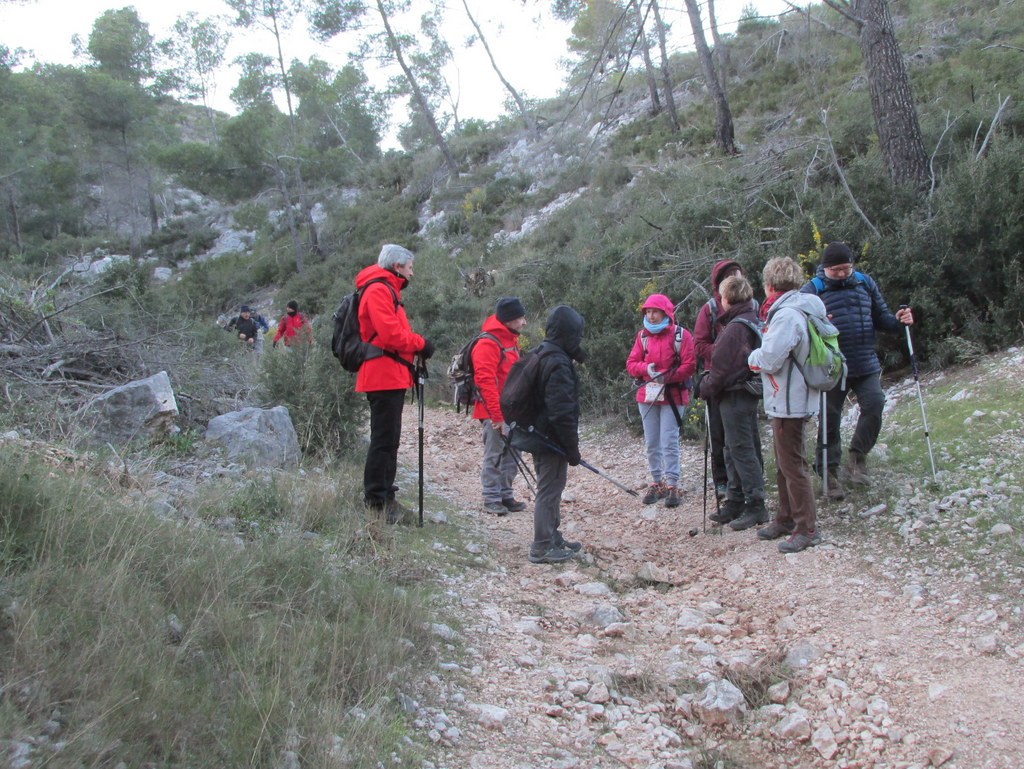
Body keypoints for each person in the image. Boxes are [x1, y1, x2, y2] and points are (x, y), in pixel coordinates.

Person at [801, 242, 913, 493]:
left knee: (875, 404)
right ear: (825, 268)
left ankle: (857, 457)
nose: (842, 274)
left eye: (846, 268)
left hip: (865, 361)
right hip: (831, 366)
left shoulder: (865, 283)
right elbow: (800, 327)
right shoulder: (812, 290)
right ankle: (828, 473)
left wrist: (898, 321)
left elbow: (881, 318)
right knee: (830, 420)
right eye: (836, 270)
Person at [748, 256, 830, 553]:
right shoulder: (805, 307)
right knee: (785, 463)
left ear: (769, 285)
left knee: (793, 465)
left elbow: (769, 358)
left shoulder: (786, 316)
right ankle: (784, 518)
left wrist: (751, 357)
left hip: (789, 400)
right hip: (795, 397)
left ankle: (806, 527)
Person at [354, 244, 435, 524]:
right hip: (382, 374)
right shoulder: (379, 289)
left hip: (388, 373)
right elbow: (391, 335)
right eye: (410, 267)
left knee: (388, 441)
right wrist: (421, 344)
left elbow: (394, 334)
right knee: (384, 441)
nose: (412, 272)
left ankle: (385, 498)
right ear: (398, 266)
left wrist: (415, 346)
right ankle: (377, 502)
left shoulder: (387, 289)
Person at [510, 305, 586, 564]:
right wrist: (571, 449)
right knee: (550, 489)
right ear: (569, 332)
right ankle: (542, 545)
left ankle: (553, 536)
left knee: (552, 486)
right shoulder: (558, 362)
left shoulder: (542, 352)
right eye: (577, 332)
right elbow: (562, 413)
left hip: (538, 434)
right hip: (549, 439)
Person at [698, 275, 767, 531]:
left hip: (734, 394)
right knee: (734, 447)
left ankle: (755, 504)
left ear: (726, 299)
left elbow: (721, 370)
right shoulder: (751, 320)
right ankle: (737, 500)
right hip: (744, 393)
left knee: (740, 448)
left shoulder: (735, 328)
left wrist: (704, 387)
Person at [625, 293, 696, 508]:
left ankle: (672, 484)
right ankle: (656, 482)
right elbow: (631, 363)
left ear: (666, 313)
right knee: (652, 441)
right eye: (648, 311)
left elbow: (690, 365)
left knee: (669, 441)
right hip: (648, 395)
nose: (651, 316)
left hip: (674, 396)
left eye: (655, 311)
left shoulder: (681, 336)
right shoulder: (642, 337)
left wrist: (667, 376)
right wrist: (646, 369)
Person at [694, 260, 750, 499]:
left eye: (737, 273)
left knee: (743, 434)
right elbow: (699, 344)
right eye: (729, 275)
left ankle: (743, 481)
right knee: (718, 434)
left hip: (744, 379)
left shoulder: (751, 306)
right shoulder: (710, 310)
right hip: (716, 379)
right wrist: (722, 354)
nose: (734, 277)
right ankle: (722, 481)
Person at [472, 297, 529, 516]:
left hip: (512, 409)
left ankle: (505, 494)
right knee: (495, 454)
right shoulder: (488, 343)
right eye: (520, 318)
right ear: (508, 320)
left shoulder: (510, 339)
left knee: (514, 454)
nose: (524, 323)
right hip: (494, 411)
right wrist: (496, 417)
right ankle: (491, 498)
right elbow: (485, 382)